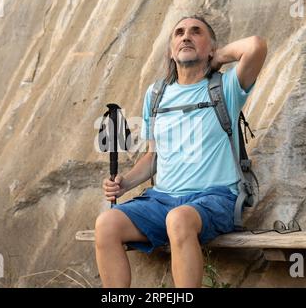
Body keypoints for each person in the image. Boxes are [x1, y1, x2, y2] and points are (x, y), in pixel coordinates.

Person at [95, 16, 267, 288]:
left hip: (215, 197)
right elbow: (153, 156)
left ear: (210, 47)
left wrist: (217, 57)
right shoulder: (156, 94)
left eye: (196, 32)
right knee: (107, 224)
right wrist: (124, 183)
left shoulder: (226, 87)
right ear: (170, 50)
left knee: (178, 218)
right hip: (162, 199)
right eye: (179, 33)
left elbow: (256, 46)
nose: (185, 36)